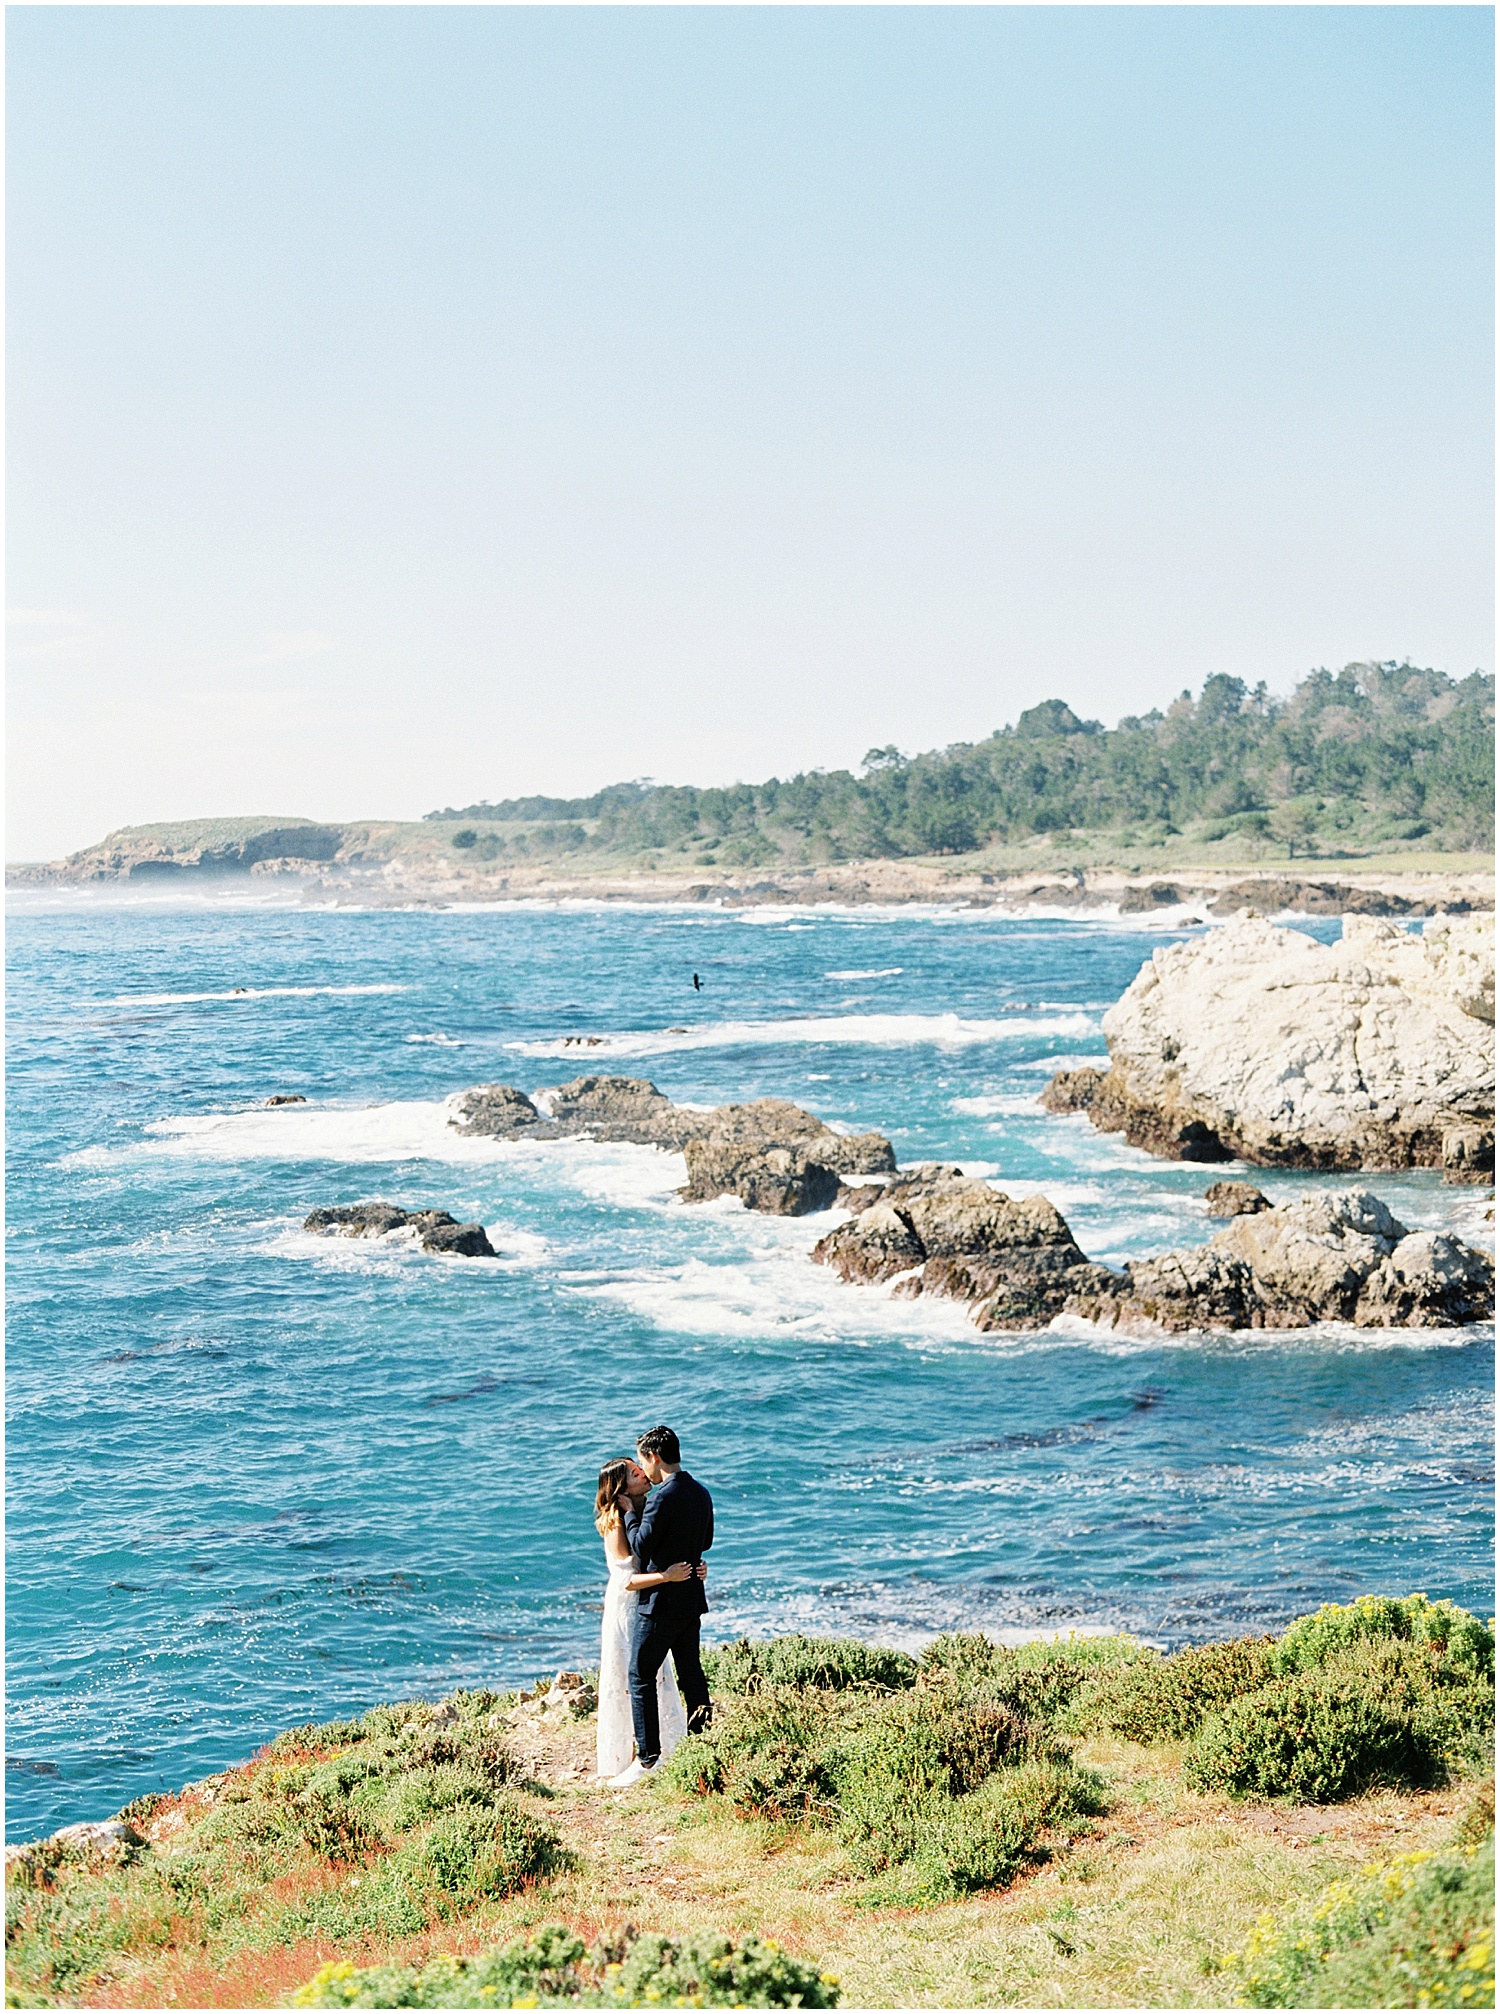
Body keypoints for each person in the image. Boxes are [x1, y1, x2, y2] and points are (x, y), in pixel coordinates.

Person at [613, 1424, 713, 1788]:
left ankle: (649, 1759)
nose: (645, 1470)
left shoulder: (660, 1497)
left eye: (643, 1461)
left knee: (639, 1677)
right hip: (691, 1601)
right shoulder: (701, 1492)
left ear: (654, 1456)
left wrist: (628, 1511)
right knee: (692, 1675)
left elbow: (639, 1547)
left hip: (659, 1605)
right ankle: (704, 1748)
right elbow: (706, 1541)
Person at [592, 1457, 700, 1781]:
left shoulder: (646, 1510)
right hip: (628, 1607)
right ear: (621, 1487)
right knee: (631, 1679)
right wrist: (666, 1577)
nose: (643, 1474)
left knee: (656, 1677)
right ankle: (635, 1757)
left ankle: (665, 1749)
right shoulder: (615, 1522)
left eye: (640, 1468)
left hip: (651, 1603)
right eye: (635, 1474)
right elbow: (627, 1580)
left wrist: (692, 1570)